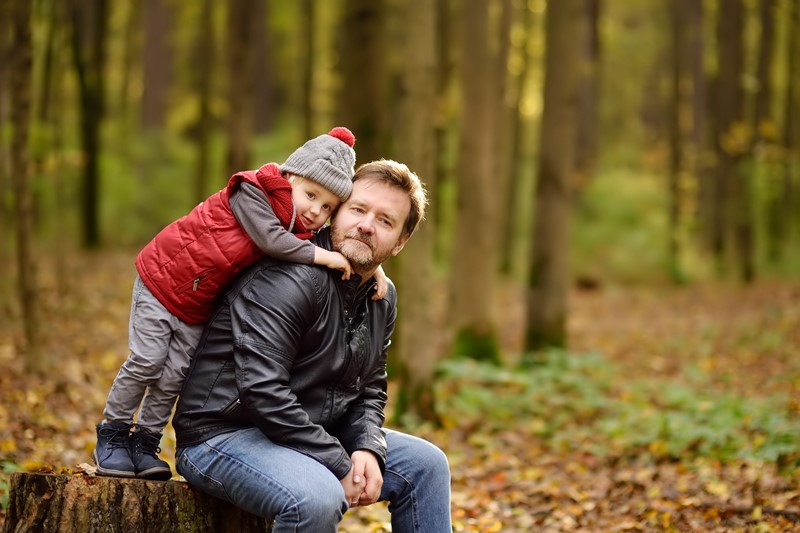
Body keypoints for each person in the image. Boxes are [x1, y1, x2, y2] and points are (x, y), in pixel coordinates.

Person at [172, 160, 452, 532]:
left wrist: (367, 446)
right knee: (316, 497)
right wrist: (338, 461)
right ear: (335, 212)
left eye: (385, 221)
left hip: (307, 430)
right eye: (357, 209)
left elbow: (369, 387)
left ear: (400, 242)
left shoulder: (381, 296)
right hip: (222, 434)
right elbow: (261, 389)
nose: (366, 225)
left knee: (427, 466)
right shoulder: (289, 277)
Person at [94, 127, 387, 481]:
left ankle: (144, 442)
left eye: (327, 206)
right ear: (289, 176)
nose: (315, 210)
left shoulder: (298, 227)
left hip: (197, 302)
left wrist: (372, 268)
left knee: (173, 376)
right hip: (164, 281)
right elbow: (271, 240)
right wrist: (323, 257)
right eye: (310, 194)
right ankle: (112, 433)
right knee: (147, 361)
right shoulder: (253, 191)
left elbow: (340, 242)